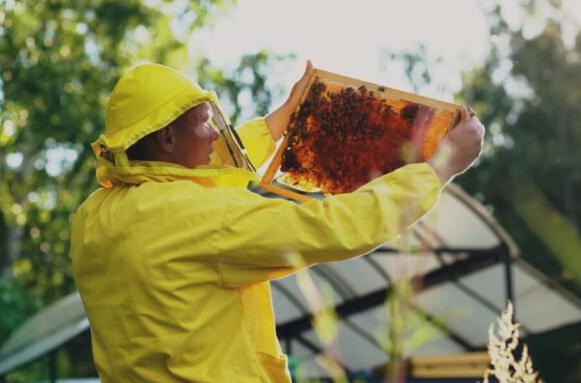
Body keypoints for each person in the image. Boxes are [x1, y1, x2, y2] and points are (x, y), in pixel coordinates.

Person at [70, 60, 484, 382]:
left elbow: (207, 178)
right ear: (168, 139)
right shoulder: (201, 218)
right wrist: (439, 167)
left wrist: (284, 119)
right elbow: (331, 225)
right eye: (204, 123)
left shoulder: (92, 220)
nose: (216, 135)